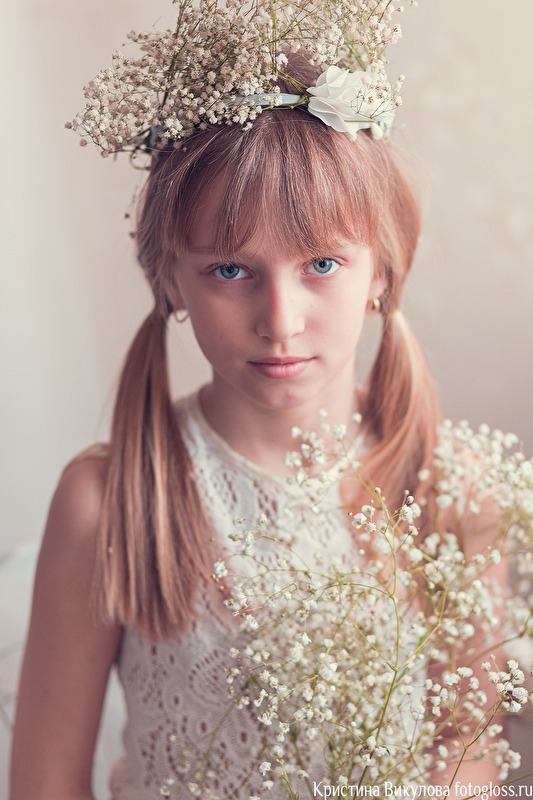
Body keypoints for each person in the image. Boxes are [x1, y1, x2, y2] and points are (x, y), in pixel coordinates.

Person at [9, 2, 511, 798]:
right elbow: (46, 782)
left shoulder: (453, 491)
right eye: (230, 270)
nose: (280, 321)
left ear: (381, 271)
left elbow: (468, 753)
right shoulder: (106, 503)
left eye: (321, 264)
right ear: (171, 280)